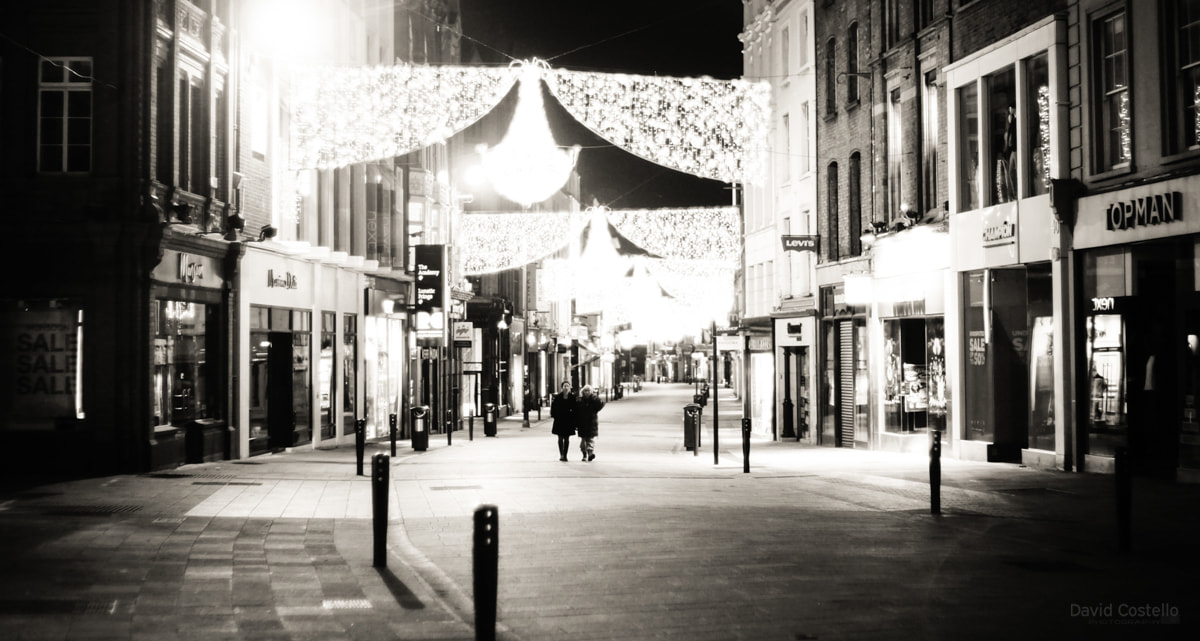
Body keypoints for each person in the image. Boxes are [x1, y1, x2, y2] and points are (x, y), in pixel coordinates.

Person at [575, 385, 606, 461]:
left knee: (590, 439)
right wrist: (575, 423)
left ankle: (590, 454)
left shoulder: (594, 400)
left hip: (591, 422)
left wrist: (595, 398)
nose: (587, 392)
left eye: (589, 391)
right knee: (583, 440)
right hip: (582, 423)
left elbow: (600, 405)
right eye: (585, 391)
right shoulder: (579, 401)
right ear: (583, 392)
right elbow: (576, 412)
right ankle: (584, 454)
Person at [549, 382, 577, 462]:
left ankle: (565, 455)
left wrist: (574, 420)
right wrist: (554, 415)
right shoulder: (558, 397)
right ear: (562, 387)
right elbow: (553, 408)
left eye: (567, 386)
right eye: (564, 386)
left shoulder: (572, 397)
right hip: (559, 420)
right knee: (560, 438)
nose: (566, 387)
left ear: (569, 387)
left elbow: (575, 409)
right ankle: (561, 454)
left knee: (567, 439)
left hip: (569, 420)